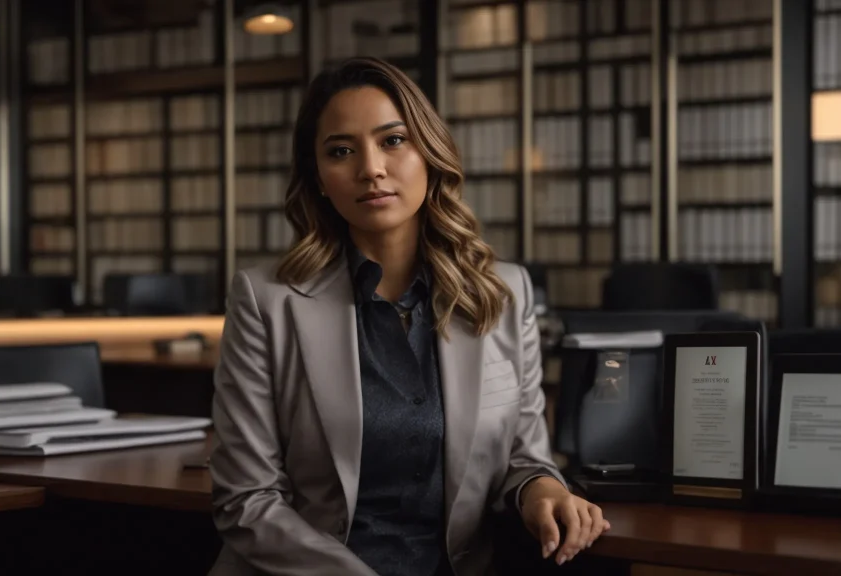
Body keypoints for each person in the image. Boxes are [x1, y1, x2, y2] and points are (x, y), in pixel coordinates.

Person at [208, 57, 609, 576]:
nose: (370, 167)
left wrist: (543, 490)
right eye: (341, 150)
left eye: (393, 140)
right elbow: (246, 500)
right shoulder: (266, 302)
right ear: (320, 178)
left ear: (431, 153)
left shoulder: (504, 293)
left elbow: (523, 458)